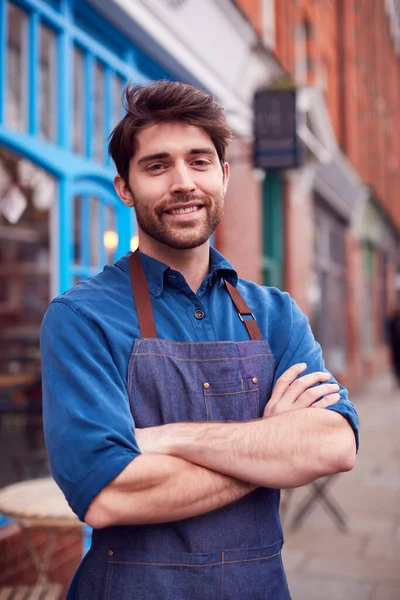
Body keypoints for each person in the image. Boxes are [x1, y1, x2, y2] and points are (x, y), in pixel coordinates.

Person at [40, 80, 359, 600]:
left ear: (225, 176)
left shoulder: (276, 314)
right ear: (125, 187)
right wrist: (271, 443)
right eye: (157, 165)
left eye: (199, 161)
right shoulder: (81, 318)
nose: (183, 182)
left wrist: (170, 439)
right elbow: (108, 493)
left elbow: (335, 443)